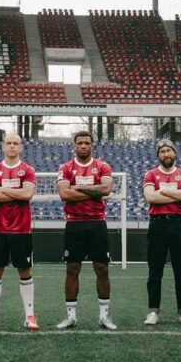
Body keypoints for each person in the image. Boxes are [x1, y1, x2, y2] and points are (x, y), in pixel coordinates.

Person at [56, 131, 117, 330]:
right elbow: (65, 193)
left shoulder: (102, 166)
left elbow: (106, 189)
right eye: (80, 143)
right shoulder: (66, 168)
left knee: (102, 269)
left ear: (92, 145)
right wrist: (93, 190)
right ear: (74, 146)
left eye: (87, 143)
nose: (83, 146)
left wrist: (79, 189)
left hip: (97, 223)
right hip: (74, 223)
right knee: (72, 269)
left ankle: (104, 316)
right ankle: (71, 316)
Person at [0, 133, 39, 331]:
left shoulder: (28, 170)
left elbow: (28, 194)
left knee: (25, 270)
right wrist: (17, 193)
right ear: (3, 146)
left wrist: (3, 190)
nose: (12, 146)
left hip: (22, 229)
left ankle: (30, 316)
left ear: (21, 147)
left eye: (16, 143)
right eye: (9, 143)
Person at [142, 139, 181, 326]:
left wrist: (164, 193)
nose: (166, 154)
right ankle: (153, 311)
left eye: (169, 151)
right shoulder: (151, 174)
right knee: (155, 270)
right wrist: (175, 193)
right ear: (158, 155)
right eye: (162, 151)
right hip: (158, 224)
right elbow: (150, 197)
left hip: (179, 224)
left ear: (174, 153)